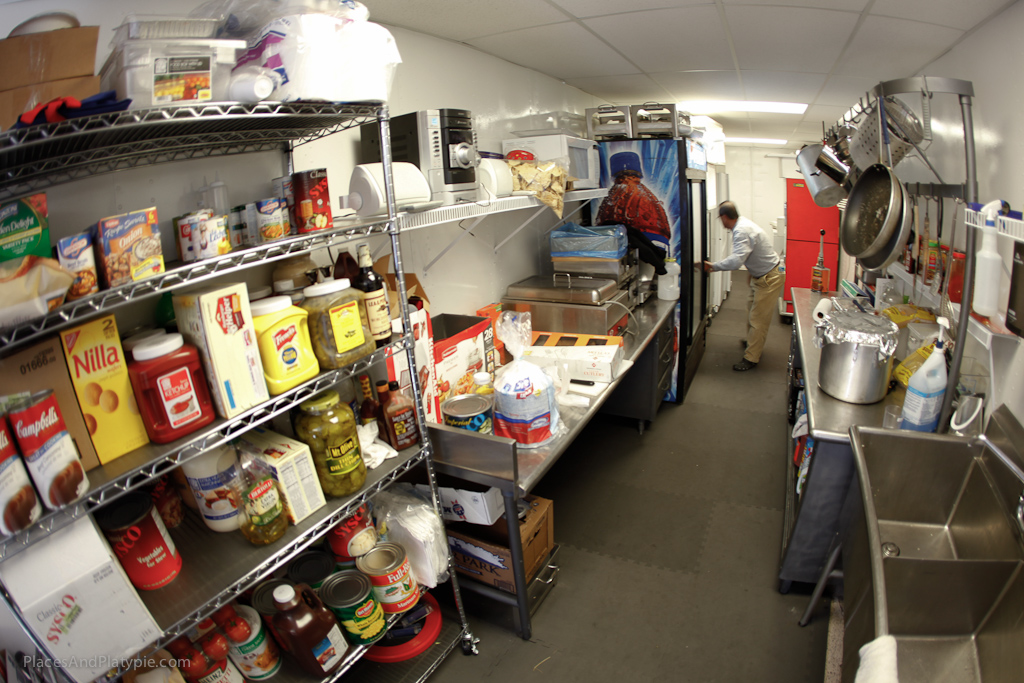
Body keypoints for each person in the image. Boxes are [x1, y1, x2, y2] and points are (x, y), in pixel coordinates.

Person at [703, 201, 784, 371]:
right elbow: (751, 252)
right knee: (751, 310)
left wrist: (713, 266)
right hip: (762, 275)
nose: (721, 222)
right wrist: (752, 273)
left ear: (725, 217)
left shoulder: (741, 231)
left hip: (769, 278)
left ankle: (751, 358)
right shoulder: (743, 224)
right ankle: (752, 342)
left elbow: (737, 260)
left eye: (720, 218)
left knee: (758, 319)